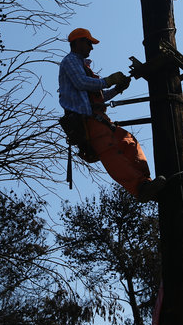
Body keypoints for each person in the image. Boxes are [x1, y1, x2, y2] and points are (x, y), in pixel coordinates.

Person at [58, 27, 166, 202]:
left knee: (128, 142)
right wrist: (107, 81)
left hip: (98, 119)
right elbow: (81, 83)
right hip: (86, 120)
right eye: (88, 43)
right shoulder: (70, 60)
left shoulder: (83, 66)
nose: (91, 48)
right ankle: (139, 187)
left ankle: (146, 183)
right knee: (110, 150)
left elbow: (97, 96)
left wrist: (117, 88)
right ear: (77, 42)